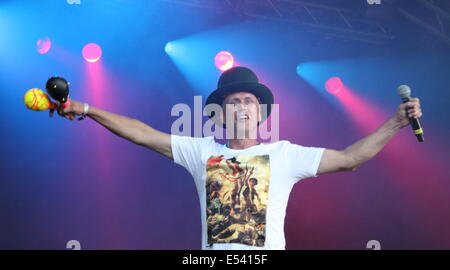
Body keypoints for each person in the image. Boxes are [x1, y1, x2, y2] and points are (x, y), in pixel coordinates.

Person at [51, 66, 423, 250]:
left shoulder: (284, 154)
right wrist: (87, 108)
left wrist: (394, 123)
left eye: (250, 102)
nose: (243, 107)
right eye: (234, 102)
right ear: (221, 114)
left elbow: (349, 158)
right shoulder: (201, 151)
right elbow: (142, 132)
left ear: (260, 113)